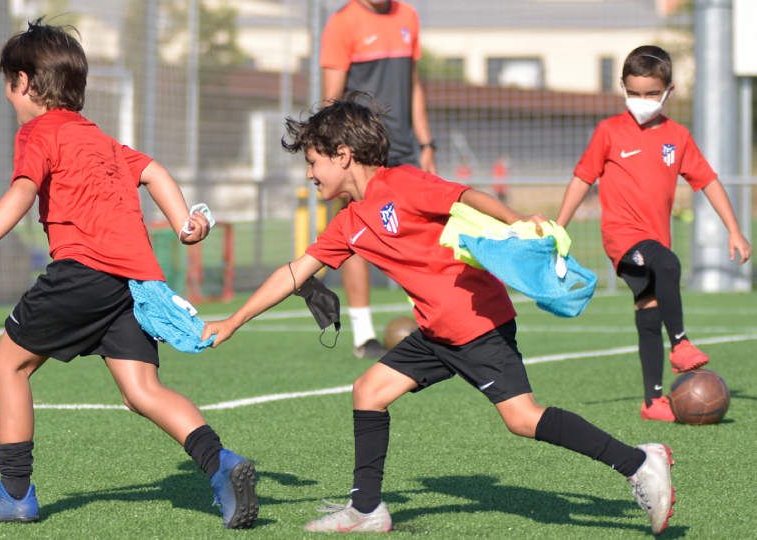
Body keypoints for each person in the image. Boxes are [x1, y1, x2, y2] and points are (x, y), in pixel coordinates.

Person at [202, 98, 676, 535]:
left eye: (312, 161)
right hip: (436, 332)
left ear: (343, 154)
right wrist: (233, 320)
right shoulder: (348, 223)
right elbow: (293, 272)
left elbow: (465, 196)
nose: (309, 174)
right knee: (369, 392)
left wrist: (517, 224)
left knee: (523, 418)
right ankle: (367, 509)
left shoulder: (401, 183)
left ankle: (638, 462)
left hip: (476, 325)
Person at [0, 20, 258, 528]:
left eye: (8, 84)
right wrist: (184, 223)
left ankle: (14, 492)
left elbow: (23, 192)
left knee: (9, 366)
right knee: (141, 390)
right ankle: (221, 464)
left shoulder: (37, 132)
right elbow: (155, 171)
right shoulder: (103, 139)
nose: (9, 96)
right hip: (132, 281)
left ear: (23, 83)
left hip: (82, 271)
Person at [556, 45, 752, 422]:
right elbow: (582, 179)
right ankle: (680, 344)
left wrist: (734, 229)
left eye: (650, 94)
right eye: (633, 93)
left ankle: (652, 401)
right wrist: (558, 228)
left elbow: (708, 181)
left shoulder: (677, 137)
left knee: (649, 311)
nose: (641, 101)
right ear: (623, 88)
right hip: (622, 237)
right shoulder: (608, 131)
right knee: (667, 263)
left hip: (654, 239)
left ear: (668, 92)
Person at [320, 0, 437, 359]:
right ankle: (364, 334)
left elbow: (413, 85)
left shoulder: (408, 16)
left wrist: (426, 142)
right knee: (354, 234)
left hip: (403, 148)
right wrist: (330, 153)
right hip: (357, 151)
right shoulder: (342, 23)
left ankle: (432, 321)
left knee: (417, 230)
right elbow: (330, 99)